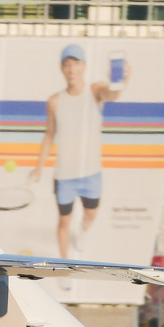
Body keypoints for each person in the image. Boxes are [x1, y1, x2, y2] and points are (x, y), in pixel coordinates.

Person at [29, 43, 128, 258]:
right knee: (64, 221)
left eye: (76, 64)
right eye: (67, 65)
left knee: (91, 214)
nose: (71, 69)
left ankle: (83, 231)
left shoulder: (95, 90)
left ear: (84, 66)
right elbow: (49, 134)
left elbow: (112, 94)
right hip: (64, 176)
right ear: (62, 69)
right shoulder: (55, 101)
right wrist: (38, 167)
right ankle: (65, 265)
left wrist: (121, 81)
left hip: (91, 174)